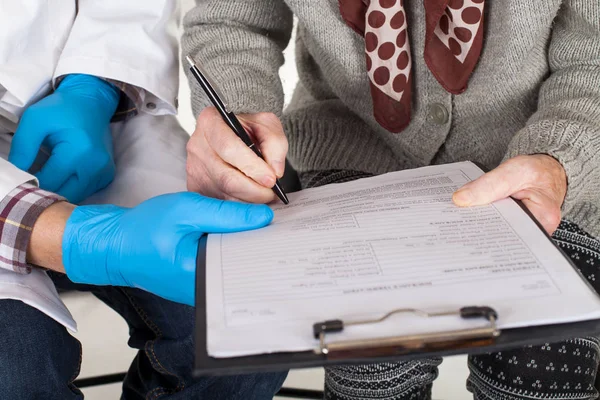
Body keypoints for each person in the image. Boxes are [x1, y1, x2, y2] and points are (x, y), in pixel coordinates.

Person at [182, 0, 600, 399]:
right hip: (353, 145)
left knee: (543, 363)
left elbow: (592, 57)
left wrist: (559, 159)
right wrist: (236, 117)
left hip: (544, 163)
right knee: (370, 360)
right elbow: (232, 22)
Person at [0, 1, 286, 398]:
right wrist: (81, 239)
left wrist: (95, 83)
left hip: (90, 106)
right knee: (16, 377)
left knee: (244, 319)